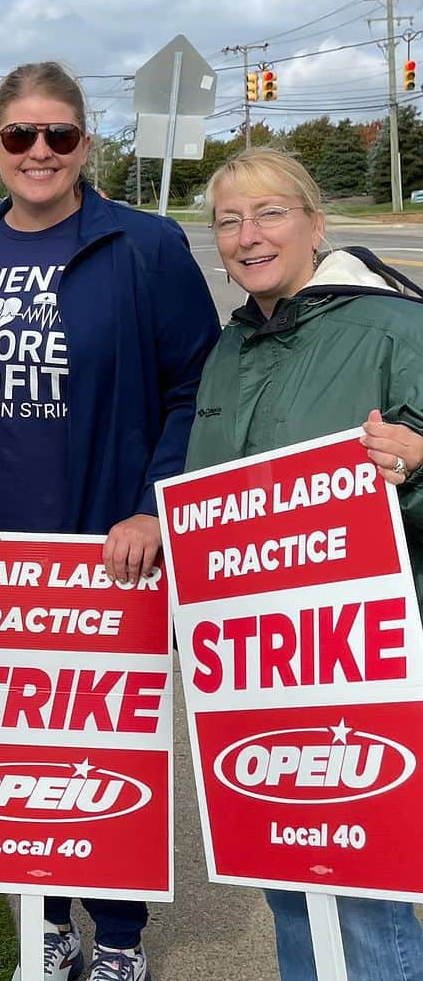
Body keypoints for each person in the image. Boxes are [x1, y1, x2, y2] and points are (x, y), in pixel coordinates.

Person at [0, 62, 220, 981]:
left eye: (59, 135)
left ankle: (122, 937)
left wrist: (153, 505)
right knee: (14, 742)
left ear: (86, 145)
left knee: (101, 747)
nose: (40, 152)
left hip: (105, 548)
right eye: (21, 136)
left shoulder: (144, 246)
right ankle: (45, 925)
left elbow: (196, 388)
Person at [185, 147, 423, 981]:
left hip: (365, 661)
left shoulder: (394, 325)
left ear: (316, 225)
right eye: (229, 220)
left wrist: (421, 463)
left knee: (365, 895)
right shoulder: (234, 347)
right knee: (286, 876)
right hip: (255, 662)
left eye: (270, 213)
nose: (249, 236)